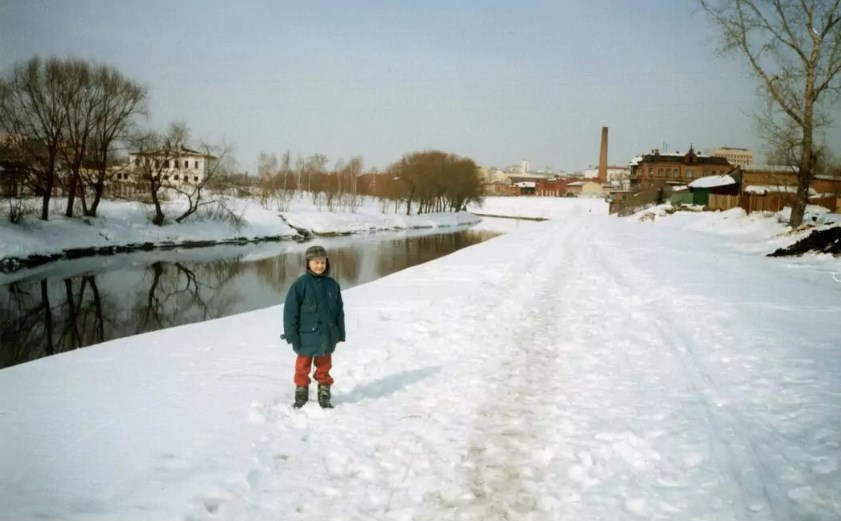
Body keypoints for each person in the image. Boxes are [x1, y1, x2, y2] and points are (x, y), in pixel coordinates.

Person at [283, 245, 345, 408]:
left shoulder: (332, 285)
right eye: (316, 262)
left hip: (327, 336)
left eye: (323, 262)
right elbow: (290, 312)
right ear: (308, 263)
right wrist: (291, 334)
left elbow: (339, 311)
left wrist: (340, 332)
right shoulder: (300, 285)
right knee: (302, 366)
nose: (320, 266)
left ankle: (324, 393)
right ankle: (301, 393)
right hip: (305, 337)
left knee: (324, 366)